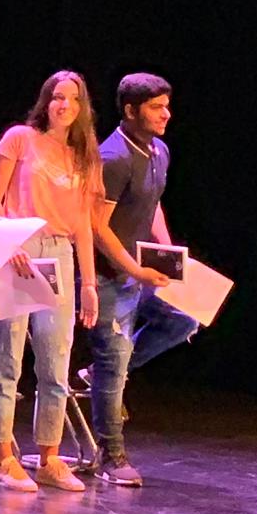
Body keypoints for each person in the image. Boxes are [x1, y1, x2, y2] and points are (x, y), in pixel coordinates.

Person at [0, 70, 109, 493]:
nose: (64, 105)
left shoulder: (85, 157)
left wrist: (89, 284)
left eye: (73, 98)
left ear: (82, 107)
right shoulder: (20, 138)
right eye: (57, 96)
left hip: (59, 253)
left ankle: (49, 457)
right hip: (17, 249)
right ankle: (3, 457)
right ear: (46, 101)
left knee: (56, 362)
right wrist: (9, 241)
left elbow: (84, 225)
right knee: (8, 359)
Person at [86, 72, 197, 486]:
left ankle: (103, 374)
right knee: (112, 362)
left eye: (167, 106)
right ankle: (111, 454)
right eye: (156, 107)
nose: (166, 114)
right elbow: (97, 227)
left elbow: (153, 205)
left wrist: (168, 254)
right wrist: (133, 270)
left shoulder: (159, 151)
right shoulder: (113, 158)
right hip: (110, 275)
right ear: (131, 110)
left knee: (184, 318)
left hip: (142, 270)